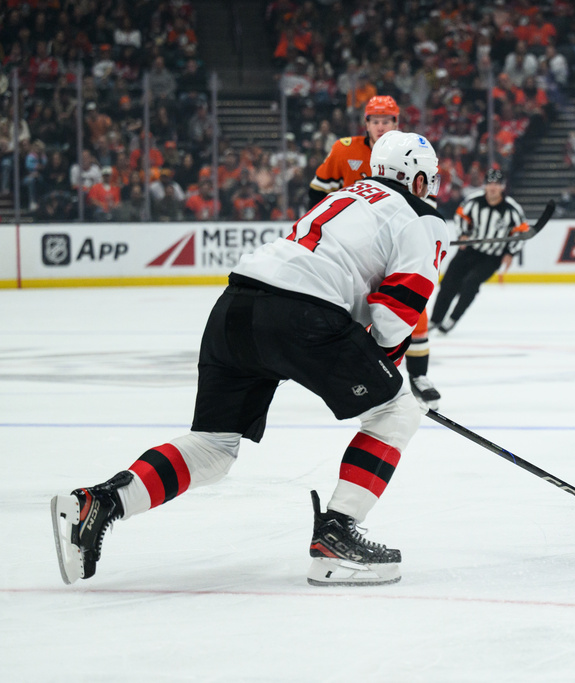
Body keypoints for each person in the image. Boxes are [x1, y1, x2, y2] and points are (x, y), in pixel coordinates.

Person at [51, 131, 448, 587]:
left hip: (234, 307)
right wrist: (382, 373)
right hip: (302, 315)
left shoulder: (347, 195)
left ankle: (99, 502)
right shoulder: (421, 217)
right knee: (397, 410)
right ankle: (336, 538)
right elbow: (396, 318)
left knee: (215, 446)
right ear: (418, 180)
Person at [309, 95, 442, 411]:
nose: (381, 126)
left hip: (392, 242)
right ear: (365, 123)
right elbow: (318, 188)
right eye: (375, 120)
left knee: (411, 310)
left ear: (397, 124)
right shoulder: (344, 149)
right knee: (352, 310)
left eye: (387, 121)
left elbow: (424, 202)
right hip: (357, 248)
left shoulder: (409, 153)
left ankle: (418, 377)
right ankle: (359, 378)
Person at [430, 168, 529, 333]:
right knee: (448, 282)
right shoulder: (473, 201)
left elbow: (521, 231)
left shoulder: (512, 209)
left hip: (492, 257)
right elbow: (461, 216)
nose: (493, 187)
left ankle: (453, 319)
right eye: (490, 183)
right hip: (469, 250)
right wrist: (463, 234)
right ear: (485, 186)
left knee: (471, 283)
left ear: (502, 187)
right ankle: (435, 320)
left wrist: (510, 253)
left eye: (497, 184)